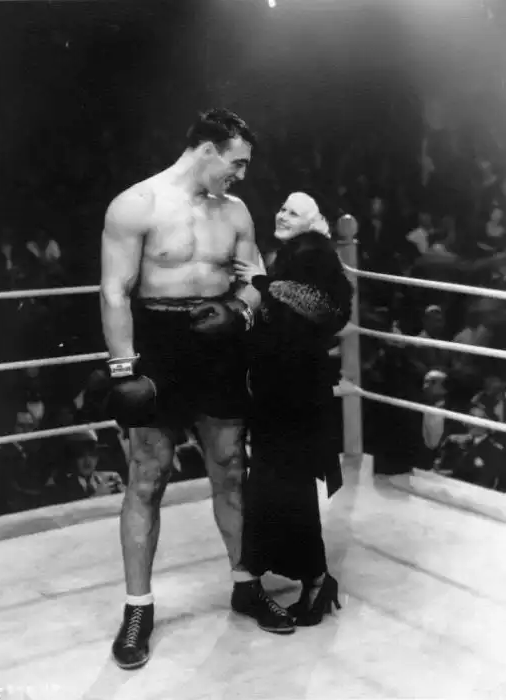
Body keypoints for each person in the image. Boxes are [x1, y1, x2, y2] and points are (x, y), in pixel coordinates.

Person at [100, 108, 288, 670]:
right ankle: (138, 609)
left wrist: (240, 310)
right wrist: (123, 371)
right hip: (158, 343)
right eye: (237, 162)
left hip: (219, 342)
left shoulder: (235, 210)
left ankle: (246, 584)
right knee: (148, 476)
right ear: (207, 149)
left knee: (230, 467)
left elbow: (256, 278)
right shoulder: (138, 204)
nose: (241, 175)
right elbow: (115, 291)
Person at [234, 192, 352, 634]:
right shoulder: (297, 252)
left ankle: (317, 579)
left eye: (294, 212)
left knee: (288, 485)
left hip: (295, 391)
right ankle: (313, 579)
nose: (282, 215)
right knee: (282, 484)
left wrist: (267, 284)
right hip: (283, 388)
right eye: (281, 208)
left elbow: (328, 310)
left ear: (313, 221)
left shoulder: (314, 252)